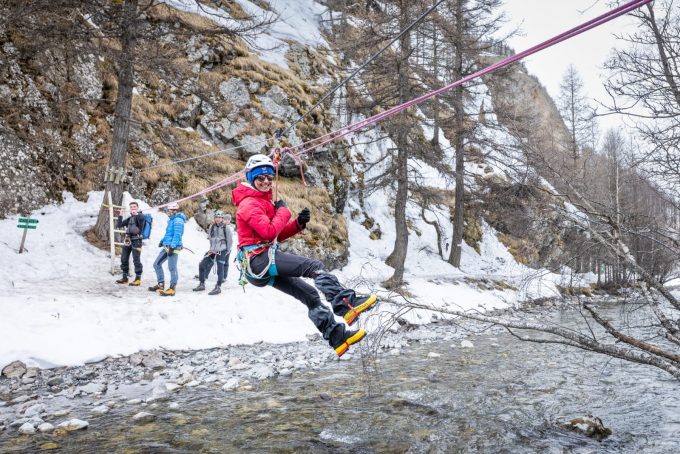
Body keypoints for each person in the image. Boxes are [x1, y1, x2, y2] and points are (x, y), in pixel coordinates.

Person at [232, 154, 378, 357]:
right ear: (251, 179)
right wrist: (283, 211)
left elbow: (274, 235)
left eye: (269, 177)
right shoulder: (249, 204)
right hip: (258, 260)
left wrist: (297, 224)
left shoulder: (260, 202)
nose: (266, 181)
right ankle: (346, 304)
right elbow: (268, 232)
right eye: (260, 178)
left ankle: (338, 337)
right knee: (313, 266)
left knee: (309, 295)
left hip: (258, 262)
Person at [149, 202, 186, 296]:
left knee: (172, 268)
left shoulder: (178, 220)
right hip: (167, 246)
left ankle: (172, 288)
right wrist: (162, 241)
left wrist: (172, 247)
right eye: (169, 210)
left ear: (175, 211)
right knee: (156, 264)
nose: (169, 212)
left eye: (171, 210)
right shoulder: (171, 220)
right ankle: (160, 284)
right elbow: (168, 234)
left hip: (173, 247)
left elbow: (177, 235)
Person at [193, 210, 233, 295]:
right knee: (202, 264)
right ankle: (202, 284)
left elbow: (230, 241)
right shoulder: (212, 227)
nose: (218, 219)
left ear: (222, 218)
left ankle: (218, 287)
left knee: (220, 268)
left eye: (220, 217)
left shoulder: (226, 228)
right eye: (216, 217)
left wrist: (226, 251)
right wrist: (211, 248)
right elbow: (211, 238)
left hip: (222, 250)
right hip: (213, 250)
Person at [114, 201, 146, 286]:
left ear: (137, 207)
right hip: (128, 240)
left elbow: (141, 219)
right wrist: (120, 214)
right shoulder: (129, 218)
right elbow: (119, 224)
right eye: (131, 207)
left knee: (136, 260)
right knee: (124, 258)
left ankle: (138, 279)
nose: (133, 208)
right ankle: (125, 278)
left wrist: (137, 214)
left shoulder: (141, 216)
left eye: (134, 206)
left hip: (137, 241)